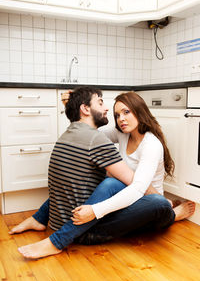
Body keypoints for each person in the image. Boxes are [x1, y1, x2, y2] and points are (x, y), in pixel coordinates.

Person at [10, 88, 195, 259]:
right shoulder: (123, 133)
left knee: (159, 203)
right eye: (117, 114)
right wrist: (73, 107)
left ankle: (173, 215)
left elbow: (138, 188)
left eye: (126, 112)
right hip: (125, 193)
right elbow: (87, 130)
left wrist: (95, 210)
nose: (120, 118)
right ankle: (39, 218)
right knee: (108, 182)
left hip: (145, 198)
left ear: (140, 111)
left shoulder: (151, 145)